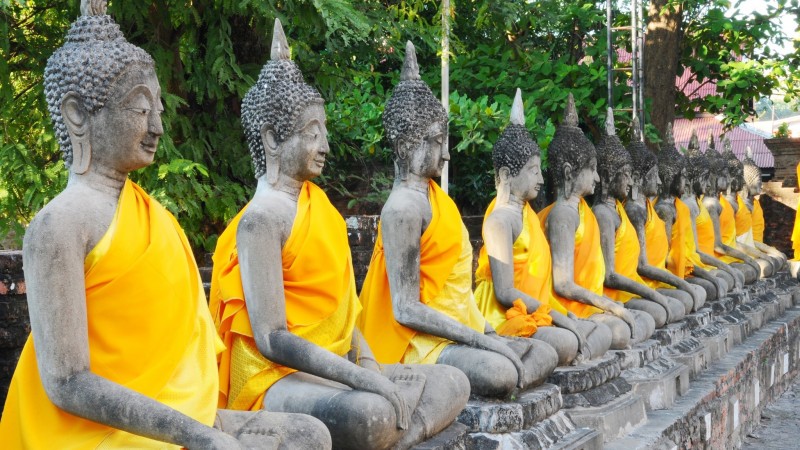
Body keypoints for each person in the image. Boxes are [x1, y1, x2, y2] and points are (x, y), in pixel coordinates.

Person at [0, 4, 329, 449]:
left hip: (174, 413)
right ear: (77, 115)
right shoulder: (57, 226)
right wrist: (194, 433)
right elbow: (68, 383)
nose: (157, 124)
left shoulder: (157, 218)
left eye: (157, 107)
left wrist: (198, 426)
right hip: (96, 434)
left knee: (309, 434)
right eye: (140, 108)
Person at [209, 26, 468, 450]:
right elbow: (273, 339)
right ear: (273, 139)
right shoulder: (260, 221)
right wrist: (359, 378)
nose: (325, 144)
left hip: (335, 367)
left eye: (323, 131)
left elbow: (346, 316)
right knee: (370, 415)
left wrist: (369, 366)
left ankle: (405, 436)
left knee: (453, 381)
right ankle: (392, 426)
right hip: (276, 376)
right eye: (313, 133)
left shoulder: (322, 209)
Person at [359, 43, 558, 398]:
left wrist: (490, 335)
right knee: (500, 371)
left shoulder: (439, 202)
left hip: (459, 329)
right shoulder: (402, 208)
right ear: (406, 147)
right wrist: (480, 340)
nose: (447, 153)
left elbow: (457, 294)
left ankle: (498, 362)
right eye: (438, 142)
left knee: (543, 352)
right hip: (418, 342)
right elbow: (406, 309)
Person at [474, 89, 613, 366]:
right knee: (567, 341)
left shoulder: (527, 216)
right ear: (505, 175)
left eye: (539, 169)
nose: (540, 176)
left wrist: (558, 313)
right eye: (532, 170)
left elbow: (544, 283)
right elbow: (504, 293)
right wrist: (557, 316)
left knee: (599, 333)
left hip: (536, 309)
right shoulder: (500, 221)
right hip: (504, 315)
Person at [538, 95, 655, 350]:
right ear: (569, 172)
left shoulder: (583, 211)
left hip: (590, 302)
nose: (598, 179)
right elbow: (563, 283)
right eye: (592, 169)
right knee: (621, 332)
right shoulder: (563, 215)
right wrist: (609, 304)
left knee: (639, 322)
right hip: (568, 305)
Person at [592, 110, 685, 328]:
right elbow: (611, 275)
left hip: (634, 285)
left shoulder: (621, 209)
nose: (629, 180)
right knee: (662, 312)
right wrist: (657, 295)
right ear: (607, 177)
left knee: (677, 304)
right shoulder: (607, 213)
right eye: (625, 174)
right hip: (617, 293)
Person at [624, 118, 706, 312]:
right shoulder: (638, 211)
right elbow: (642, 266)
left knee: (696, 294)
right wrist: (681, 283)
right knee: (683, 301)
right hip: (643, 282)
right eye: (655, 176)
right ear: (638, 179)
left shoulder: (650, 208)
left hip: (661, 276)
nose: (659, 182)